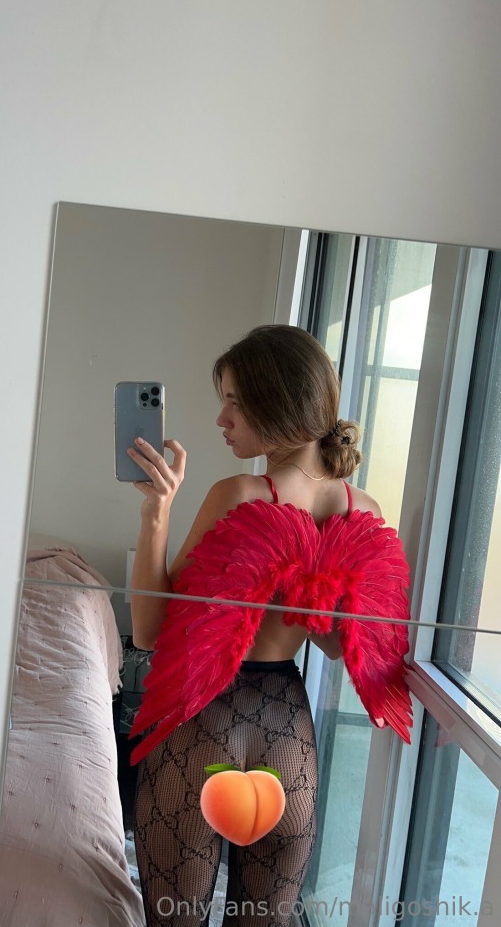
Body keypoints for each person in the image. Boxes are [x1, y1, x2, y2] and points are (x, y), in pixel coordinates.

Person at [125, 325, 410, 927]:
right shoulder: (362, 511)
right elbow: (337, 645)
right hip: (287, 735)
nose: (221, 418)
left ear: (279, 402)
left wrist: (157, 512)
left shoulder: (240, 494)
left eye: (234, 400)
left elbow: (149, 631)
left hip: (200, 725)